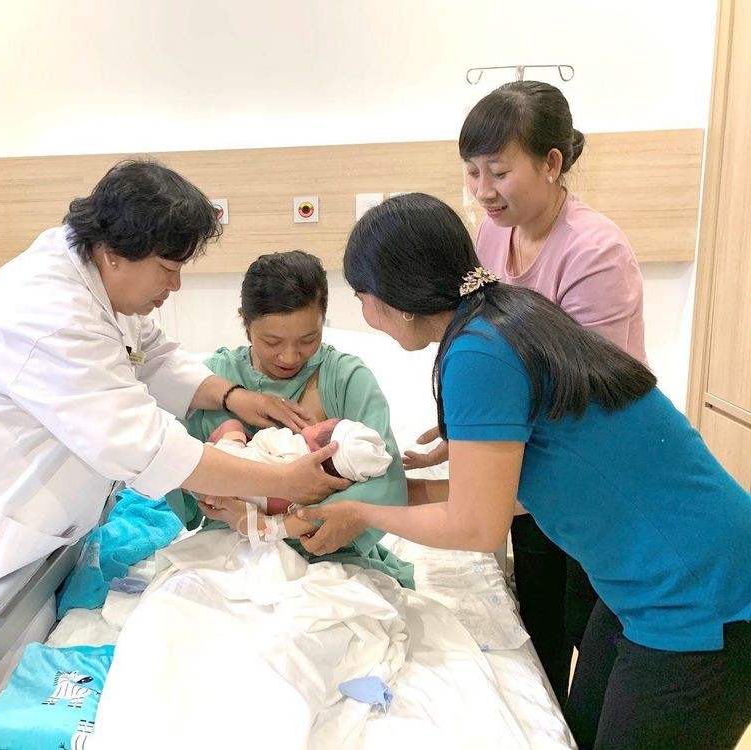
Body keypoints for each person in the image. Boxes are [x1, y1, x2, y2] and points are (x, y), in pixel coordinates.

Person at [0, 161, 348, 728]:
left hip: (45, 518)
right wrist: (284, 481)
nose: (175, 285)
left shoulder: (94, 277)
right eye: (168, 269)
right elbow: (148, 446)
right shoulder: (48, 313)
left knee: (41, 675)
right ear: (114, 253)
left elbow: (150, 355)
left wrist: (231, 398)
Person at [296, 192, 751, 750]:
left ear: (401, 296)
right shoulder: (505, 318)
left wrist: (359, 511)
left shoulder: (477, 354)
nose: (365, 314)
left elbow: (475, 529)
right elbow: (514, 496)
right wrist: (400, 489)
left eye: (362, 297)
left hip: (703, 592)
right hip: (654, 575)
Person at [404, 80, 647, 703]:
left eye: (499, 172)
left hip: (589, 462)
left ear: (552, 162)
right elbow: (480, 343)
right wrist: (466, 436)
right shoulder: (489, 236)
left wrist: (485, 445)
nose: (483, 190)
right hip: (529, 457)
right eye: (472, 172)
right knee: (534, 615)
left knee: (584, 619)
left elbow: (583, 389)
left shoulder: (594, 251)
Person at [166, 250, 413, 586]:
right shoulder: (213, 378)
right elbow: (178, 469)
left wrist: (285, 524)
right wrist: (226, 504)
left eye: (308, 339)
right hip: (227, 548)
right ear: (244, 320)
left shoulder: (344, 378)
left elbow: (388, 482)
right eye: (272, 341)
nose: (289, 356)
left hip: (326, 552)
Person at [205, 416, 392, 542]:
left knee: (232, 425)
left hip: (228, 463)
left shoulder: (295, 444)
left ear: (318, 448)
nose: (314, 423)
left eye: (319, 425)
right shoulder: (326, 494)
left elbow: (264, 437)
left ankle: (211, 445)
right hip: (248, 509)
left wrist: (251, 442)